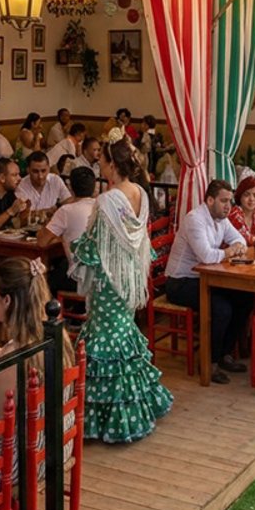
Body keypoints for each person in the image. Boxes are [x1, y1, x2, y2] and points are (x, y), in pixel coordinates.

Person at [72, 139, 172, 439]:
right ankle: (133, 407)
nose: (100, 166)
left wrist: (76, 248)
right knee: (123, 335)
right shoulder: (140, 192)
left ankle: (103, 417)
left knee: (104, 339)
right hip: (131, 276)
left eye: (102, 162)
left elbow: (95, 245)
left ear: (112, 165)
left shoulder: (107, 200)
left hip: (110, 278)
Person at [0, 257, 76, 470]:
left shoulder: (14, 354)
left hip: (25, 461)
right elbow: (20, 370)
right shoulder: (52, 335)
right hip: (58, 443)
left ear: (7, 300)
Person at [164, 179, 252, 384]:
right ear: (210, 200)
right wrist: (230, 251)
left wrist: (237, 246)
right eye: (224, 201)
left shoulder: (221, 218)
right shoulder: (195, 219)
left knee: (246, 297)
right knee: (222, 308)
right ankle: (209, 363)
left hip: (204, 278)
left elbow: (240, 240)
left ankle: (224, 354)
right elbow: (206, 256)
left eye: (230, 201)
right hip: (180, 282)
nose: (228, 206)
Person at [40, 166, 98, 294]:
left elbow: (42, 242)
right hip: (101, 275)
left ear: (71, 188)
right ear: (94, 187)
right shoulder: (101, 206)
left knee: (44, 281)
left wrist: (48, 221)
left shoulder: (66, 211)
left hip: (78, 278)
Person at [16, 150, 69, 220]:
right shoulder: (21, 186)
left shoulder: (56, 180)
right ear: (28, 170)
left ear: (49, 169)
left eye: (43, 171)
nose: (40, 176)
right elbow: (23, 217)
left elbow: (68, 201)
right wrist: (48, 211)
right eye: (35, 171)